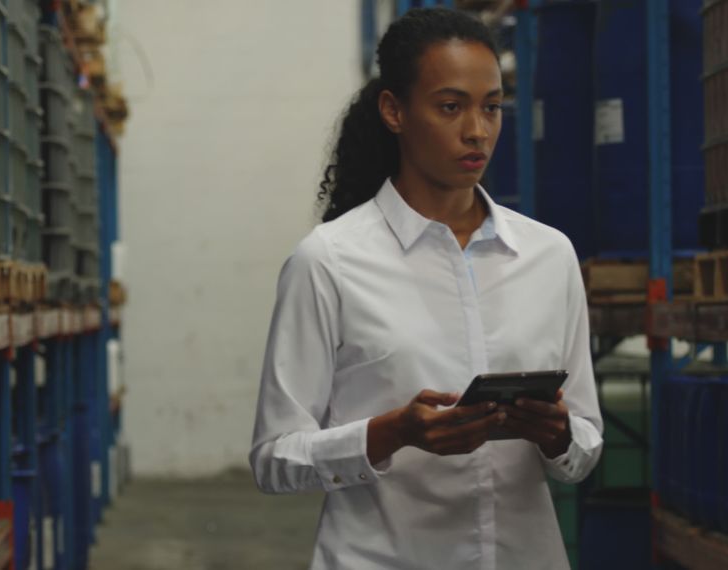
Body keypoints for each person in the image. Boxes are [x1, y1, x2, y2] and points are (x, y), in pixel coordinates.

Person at [250, 8, 603, 569]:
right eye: (450, 106)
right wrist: (391, 433)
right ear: (394, 110)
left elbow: (584, 444)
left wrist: (559, 435)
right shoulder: (330, 261)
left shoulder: (547, 256)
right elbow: (274, 459)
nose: (477, 130)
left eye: (491, 106)